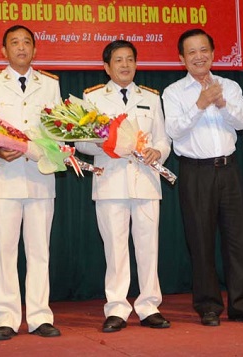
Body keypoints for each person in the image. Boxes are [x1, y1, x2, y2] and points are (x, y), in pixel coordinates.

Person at [162, 29, 243, 327]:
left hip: (229, 169)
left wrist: (221, 102)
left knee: (237, 241)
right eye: (191, 52)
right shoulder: (173, 92)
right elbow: (174, 130)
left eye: (203, 50)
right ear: (182, 58)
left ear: (213, 53)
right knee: (201, 240)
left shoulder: (230, 86)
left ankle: (241, 305)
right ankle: (208, 305)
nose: (199, 56)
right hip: (196, 172)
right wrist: (200, 104)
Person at [75, 40, 172, 332]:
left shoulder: (152, 98)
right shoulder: (92, 97)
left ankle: (149, 305)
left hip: (145, 181)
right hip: (111, 180)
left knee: (148, 247)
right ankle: (117, 308)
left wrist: (158, 151)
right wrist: (109, 144)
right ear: (107, 67)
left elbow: (163, 138)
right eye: (118, 60)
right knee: (115, 248)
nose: (125, 65)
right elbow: (81, 142)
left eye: (130, 59)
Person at [0, 25, 62, 340]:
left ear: (35, 50)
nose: (21, 47)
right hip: (3, 178)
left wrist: (45, 149)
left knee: (39, 251)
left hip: (39, 177)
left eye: (27, 42)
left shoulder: (50, 84)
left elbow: (56, 130)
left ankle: (40, 317)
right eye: (15, 42)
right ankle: (6, 319)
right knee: (4, 251)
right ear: (4, 51)